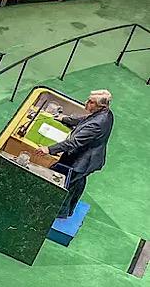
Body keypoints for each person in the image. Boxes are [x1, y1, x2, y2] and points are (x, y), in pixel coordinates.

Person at [36, 90, 114, 218]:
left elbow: (74, 143)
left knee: (63, 184)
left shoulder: (98, 123)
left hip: (82, 161)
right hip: (88, 158)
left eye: (91, 102)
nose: (86, 103)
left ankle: (59, 214)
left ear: (101, 106)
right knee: (77, 182)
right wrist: (65, 119)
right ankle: (69, 210)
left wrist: (49, 149)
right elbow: (85, 119)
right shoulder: (105, 113)